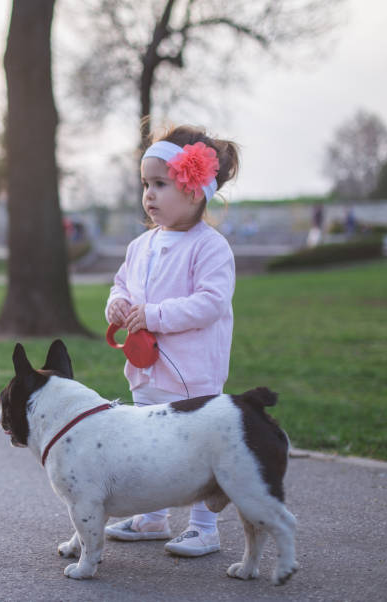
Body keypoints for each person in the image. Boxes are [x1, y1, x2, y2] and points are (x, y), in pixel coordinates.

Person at [104, 124, 239, 557]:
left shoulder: (209, 248)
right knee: (152, 445)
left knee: (195, 449)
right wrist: (117, 304)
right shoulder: (141, 245)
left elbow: (210, 303)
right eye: (146, 184)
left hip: (192, 371)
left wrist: (156, 316)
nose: (149, 195)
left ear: (194, 190)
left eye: (160, 184)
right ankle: (153, 517)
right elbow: (122, 285)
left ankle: (204, 527)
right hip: (147, 368)